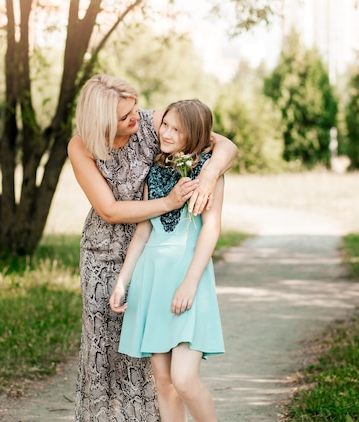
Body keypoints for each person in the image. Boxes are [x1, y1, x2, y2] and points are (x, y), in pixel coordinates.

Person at [67, 75, 236, 421]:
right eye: (125, 115)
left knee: (163, 373)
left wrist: (210, 173)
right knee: (106, 354)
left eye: (134, 108)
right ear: (101, 121)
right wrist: (169, 202)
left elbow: (219, 142)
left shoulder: (154, 124)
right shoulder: (81, 146)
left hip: (156, 256)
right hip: (108, 255)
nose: (137, 117)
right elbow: (111, 211)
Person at [109, 99, 224, 422]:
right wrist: (123, 281)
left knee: (185, 379)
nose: (167, 133)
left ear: (196, 135)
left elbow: (211, 229)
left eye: (177, 129)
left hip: (188, 278)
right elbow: (143, 232)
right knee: (164, 383)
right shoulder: (156, 170)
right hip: (152, 280)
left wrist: (190, 282)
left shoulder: (208, 172)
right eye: (166, 125)